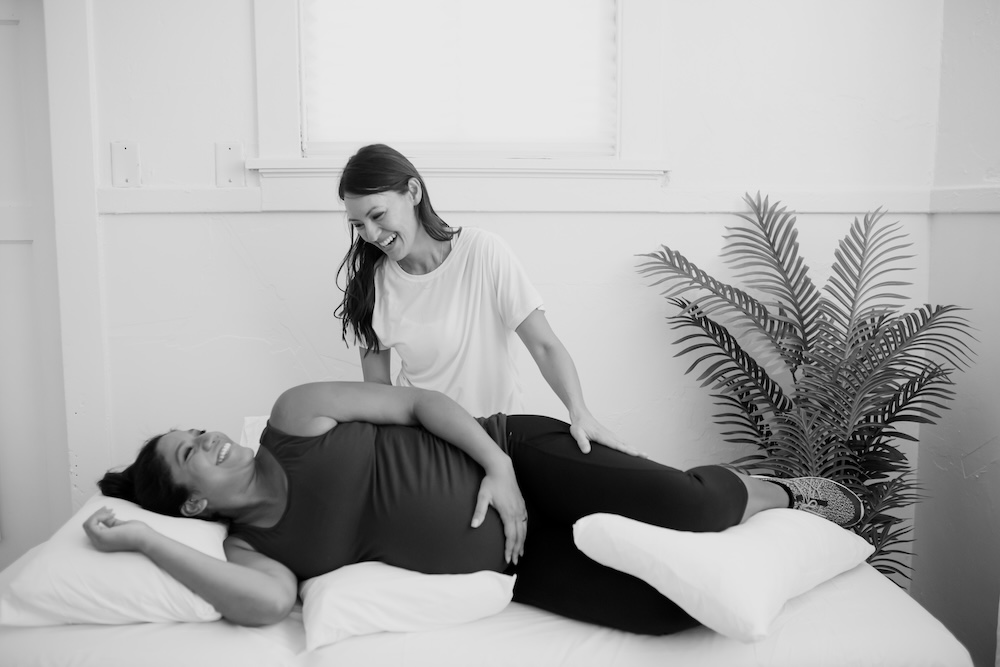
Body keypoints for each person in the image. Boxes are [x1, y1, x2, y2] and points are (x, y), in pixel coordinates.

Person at [85, 381, 863, 634]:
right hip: (518, 562)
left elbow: (420, 402)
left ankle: (775, 491)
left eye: (201, 431)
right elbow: (268, 606)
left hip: (518, 458)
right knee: (667, 611)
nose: (213, 437)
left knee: (687, 508)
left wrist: (499, 467)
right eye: (194, 451)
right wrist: (146, 544)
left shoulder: (294, 416)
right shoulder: (254, 553)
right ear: (192, 499)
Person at [335, 143, 631, 455]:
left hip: (499, 435)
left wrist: (580, 412)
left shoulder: (482, 252)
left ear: (413, 192)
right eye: (358, 225)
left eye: (377, 215)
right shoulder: (370, 286)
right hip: (425, 445)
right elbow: (378, 389)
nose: (370, 233)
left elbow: (544, 346)